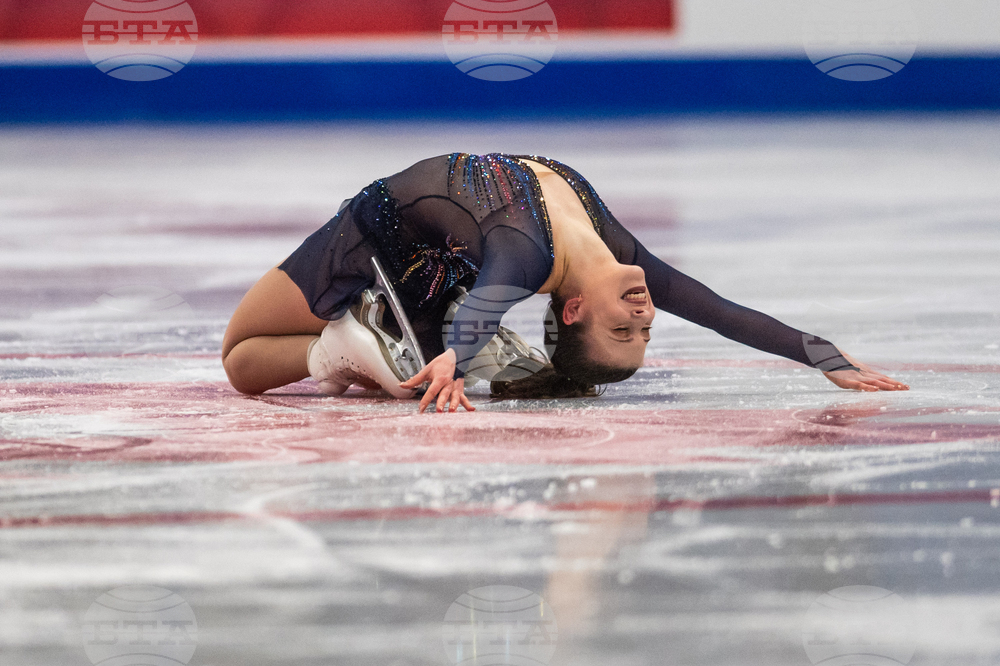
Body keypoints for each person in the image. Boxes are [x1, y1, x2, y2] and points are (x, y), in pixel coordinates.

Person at [222, 153, 908, 413]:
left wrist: (458, 355)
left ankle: (337, 349)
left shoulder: (526, 257)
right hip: (437, 265)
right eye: (644, 332)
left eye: (622, 331)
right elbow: (722, 313)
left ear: (573, 309)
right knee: (419, 352)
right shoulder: (617, 251)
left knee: (240, 359)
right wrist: (823, 356)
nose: (644, 317)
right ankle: (376, 347)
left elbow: (490, 299)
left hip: (379, 237)